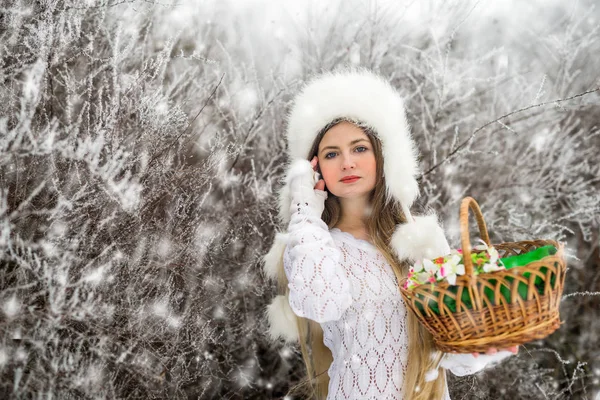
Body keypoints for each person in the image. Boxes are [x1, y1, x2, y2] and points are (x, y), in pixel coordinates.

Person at [263, 68, 518, 400]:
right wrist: (305, 211)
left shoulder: (420, 242)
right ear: (314, 168)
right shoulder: (314, 244)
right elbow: (320, 303)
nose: (347, 163)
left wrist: (484, 341)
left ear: (382, 156)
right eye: (331, 153)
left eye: (359, 148)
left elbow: (451, 354)